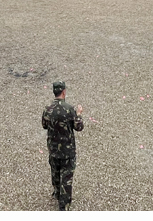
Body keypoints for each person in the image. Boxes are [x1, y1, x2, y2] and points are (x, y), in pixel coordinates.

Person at [41, 81, 84, 211]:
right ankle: (63, 206)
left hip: (53, 149)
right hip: (67, 150)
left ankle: (57, 193)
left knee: (55, 172)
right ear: (64, 91)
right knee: (66, 177)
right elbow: (79, 127)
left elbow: (44, 125)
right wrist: (79, 114)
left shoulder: (47, 109)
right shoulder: (69, 109)